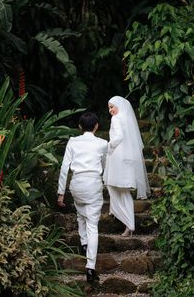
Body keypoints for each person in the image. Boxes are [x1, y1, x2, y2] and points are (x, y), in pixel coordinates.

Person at [57, 112, 108, 283]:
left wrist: (61, 193)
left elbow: (65, 168)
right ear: (96, 127)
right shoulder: (102, 144)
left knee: (80, 214)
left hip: (76, 185)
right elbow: (104, 165)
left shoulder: (73, 142)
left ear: (80, 127)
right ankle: (90, 267)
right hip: (93, 184)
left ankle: (84, 243)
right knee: (92, 224)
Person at [103, 96, 151, 237]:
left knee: (113, 187)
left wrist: (108, 146)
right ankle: (127, 222)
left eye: (112, 106)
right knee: (123, 191)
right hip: (126, 159)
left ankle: (126, 221)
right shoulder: (127, 119)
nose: (110, 110)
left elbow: (118, 137)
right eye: (109, 108)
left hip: (118, 158)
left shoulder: (116, 119)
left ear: (119, 105)